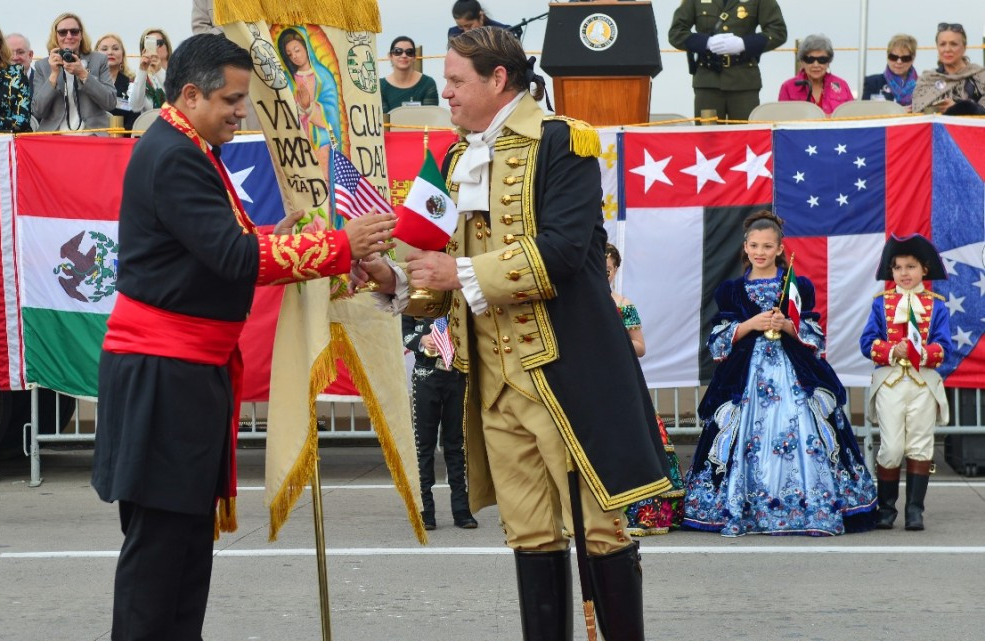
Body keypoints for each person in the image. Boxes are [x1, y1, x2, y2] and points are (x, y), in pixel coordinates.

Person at [355, 26, 668, 641]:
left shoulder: (563, 142)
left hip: (564, 374)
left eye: (455, 81)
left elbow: (562, 252)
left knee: (600, 532)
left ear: (499, 80)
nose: (444, 93)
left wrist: (461, 271)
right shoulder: (456, 156)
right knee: (528, 535)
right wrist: (392, 276)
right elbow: (444, 270)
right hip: (494, 385)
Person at [91, 33, 396, 640]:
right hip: (165, 375)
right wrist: (339, 246)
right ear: (190, 93)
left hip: (181, 373)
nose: (240, 111)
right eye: (232, 100)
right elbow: (231, 258)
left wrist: (274, 234)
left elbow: (217, 246)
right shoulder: (176, 154)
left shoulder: (185, 145)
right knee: (161, 559)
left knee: (184, 552)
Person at [682, 211, 877, 536]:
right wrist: (749, 325)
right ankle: (741, 507)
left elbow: (815, 335)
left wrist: (788, 325)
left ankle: (812, 505)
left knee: (808, 426)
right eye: (754, 245)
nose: (760, 252)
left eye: (767, 246)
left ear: (779, 248)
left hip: (795, 374)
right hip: (745, 378)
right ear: (745, 247)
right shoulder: (731, 290)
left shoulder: (798, 285)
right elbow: (715, 340)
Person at [860, 235, 951, 531]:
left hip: (923, 384)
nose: (904, 273)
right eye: (897, 267)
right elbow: (866, 342)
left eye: (910, 266)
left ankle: (915, 511)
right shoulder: (880, 304)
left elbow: (944, 347)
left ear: (924, 269)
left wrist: (922, 353)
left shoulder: (936, 306)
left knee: (920, 446)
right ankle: (886, 509)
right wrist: (890, 350)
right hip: (890, 383)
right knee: (891, 448)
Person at [605, 244, 685, 536]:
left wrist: (614, 340)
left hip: (620, 380)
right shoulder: (576, 304)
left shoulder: (623, 305)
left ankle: (642, 510)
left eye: (608, 269)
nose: (602, 274)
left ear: (615, 271)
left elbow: (640, 346)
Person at [401, 314, 475, 531]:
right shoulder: (415, 297)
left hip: (457, 375)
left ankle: (462, 508)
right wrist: (421, 340)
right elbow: (404, 333)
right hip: (426, 375)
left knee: (456, 443)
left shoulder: (458, 297)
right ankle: (425, 509)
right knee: (424, 445)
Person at [668, 0, 787, 121]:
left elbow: (778, 31)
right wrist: (707, 43)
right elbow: (676, 33)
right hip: (708, 81)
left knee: (744, 137)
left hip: (743, 81)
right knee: (708, 137)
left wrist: (743, 44)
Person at [30, 12, 117, 133]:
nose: (69, 36)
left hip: (91, 135)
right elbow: (38, 111)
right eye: (63, 32)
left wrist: (83, 74)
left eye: (74, 31)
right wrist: (53, 75)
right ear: (55, 36)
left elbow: (110, 103)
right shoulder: (43, 65)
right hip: (55, 137)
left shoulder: (98, 60)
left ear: (81, 35)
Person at [278, 28, 340, 178]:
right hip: (298, 138)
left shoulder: (322, 76)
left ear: (306, 47)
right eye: (289, 54)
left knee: (323, 178)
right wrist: (299, 107)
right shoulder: (288, 79)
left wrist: (310, 107)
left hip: (322, 138)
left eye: (297, 50)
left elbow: (332, 111)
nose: (295, 56)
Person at [912, 22, 985, 115]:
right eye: (942, 44)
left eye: (953, 44)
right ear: (937, 47)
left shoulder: (980, 76)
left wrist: (960, 108)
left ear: (964, 47)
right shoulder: (927, 79)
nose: (947, 49)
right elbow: (917, 113)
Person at [778, 34, 853, 115]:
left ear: (829, 62)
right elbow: (781, 119)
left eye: (822, 59)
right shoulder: (788, 87)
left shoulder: (842, 85)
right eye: (810, 59)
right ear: (802, 62)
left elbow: (853, 116)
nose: (816, 65)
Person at [380, 36, 438, 113]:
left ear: (414, 57)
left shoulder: (428, 83)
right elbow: (383, 118)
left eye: (409, 52)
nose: (404, 56)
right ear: (390, 56)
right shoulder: (380, 86)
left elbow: (431, 116)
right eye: (398, 51)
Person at [862, 34, 919, 107]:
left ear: (913, 59)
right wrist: (898, 112)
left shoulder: (922, 85)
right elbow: (865, 112)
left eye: (905, 58)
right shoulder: (872, 82)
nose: (899, 62)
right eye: (893, 57)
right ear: (887, 57)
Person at [96, 33, 138, 128]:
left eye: (115, 49)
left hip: (122, 138)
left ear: (122, 55)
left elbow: (134, 115)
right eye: (104, 49)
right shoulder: (88, 81)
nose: (110, 52)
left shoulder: (131, 84)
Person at [127, 28, 171, 112]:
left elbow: (177, 97)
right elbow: (135, 107)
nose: (155, 47)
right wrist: (142, 70)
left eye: (158, 43)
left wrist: (159, 71)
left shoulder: (179, 74)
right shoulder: (141, 79)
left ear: (167, 47)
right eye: (149, 44)